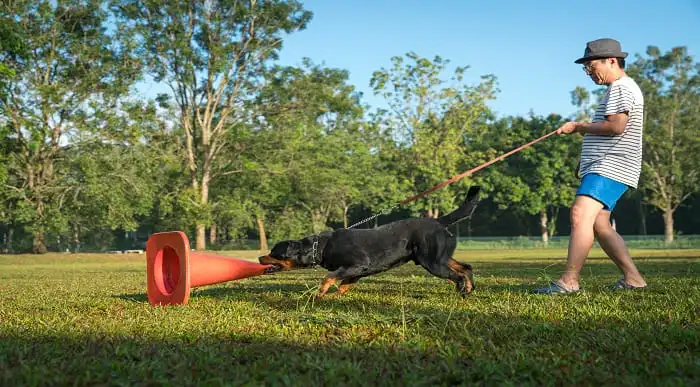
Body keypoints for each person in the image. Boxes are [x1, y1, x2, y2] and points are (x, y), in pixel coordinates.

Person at [533, 38, 648, 294]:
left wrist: (577, 127)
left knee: (579, 214)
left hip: (611, 165)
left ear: (611, 60)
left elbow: (616, 127)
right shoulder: (621, 88)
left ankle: (569, 281)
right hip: (612, 165)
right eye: (585, 67)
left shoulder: (620, 87)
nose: (588, 71)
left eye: (591, 64)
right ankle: (633, 278)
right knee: (600, 225)